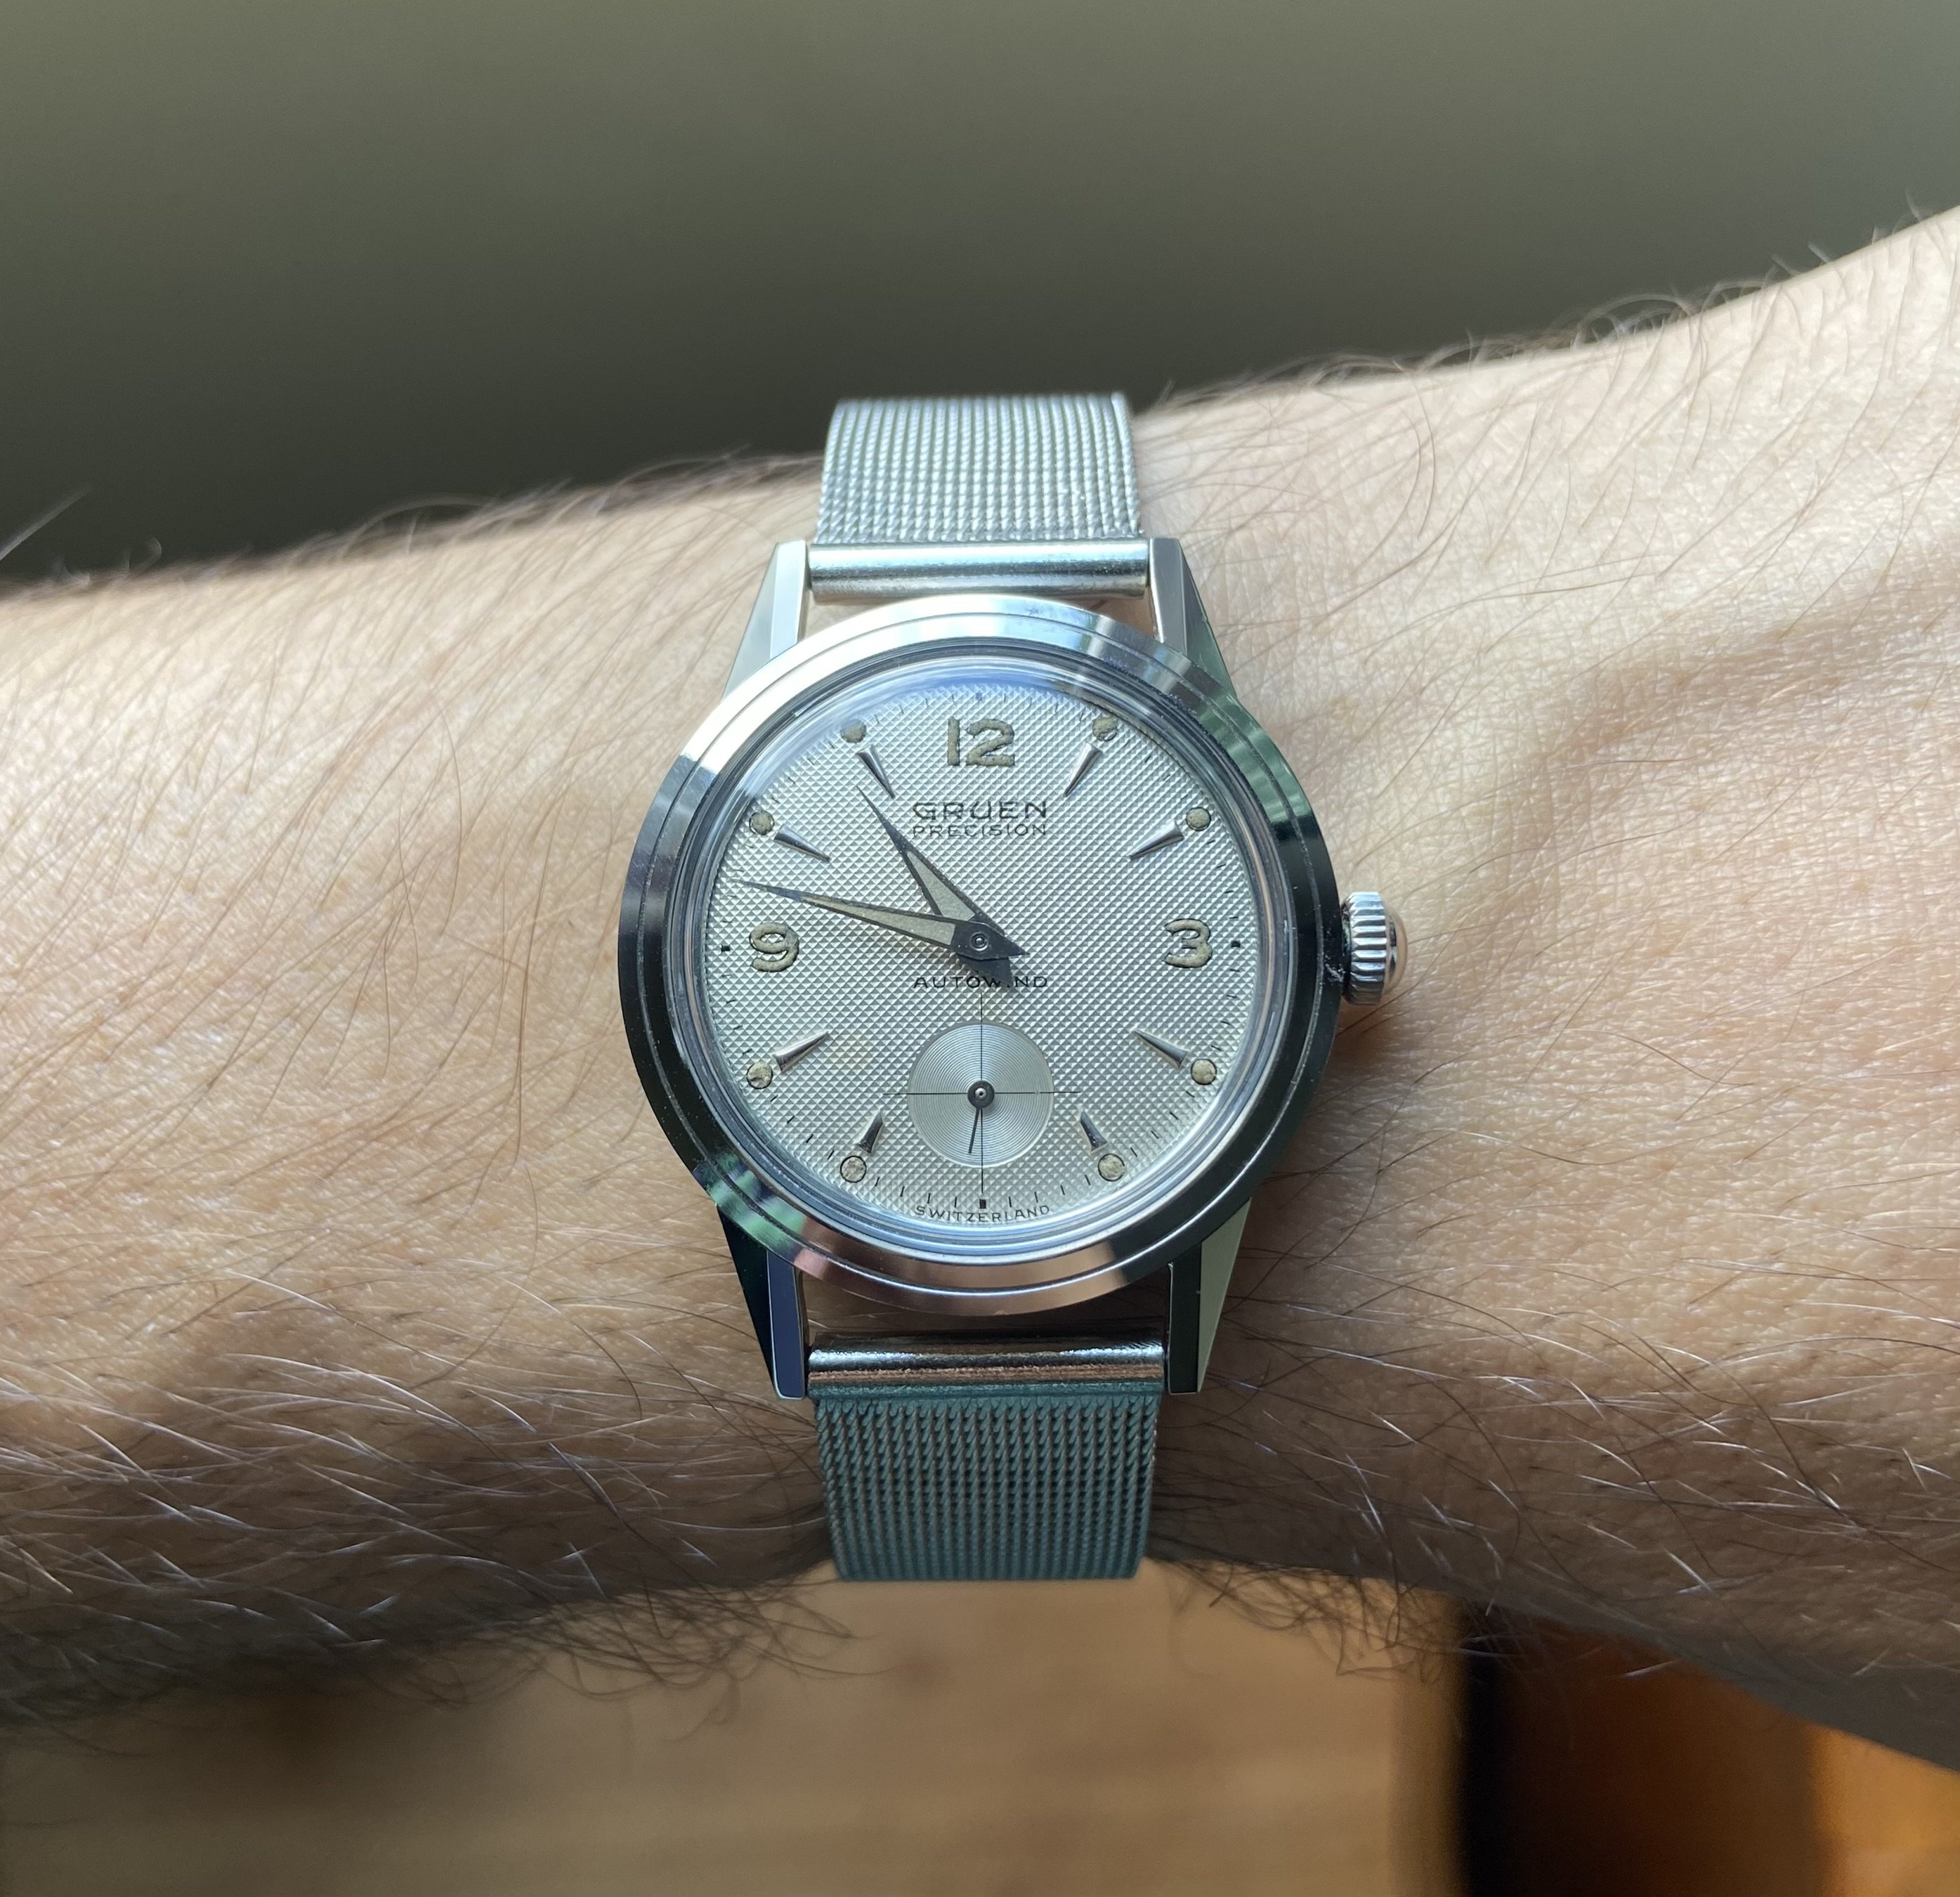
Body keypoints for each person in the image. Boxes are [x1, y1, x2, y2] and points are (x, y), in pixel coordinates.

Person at [1, 209, 1954, 1768]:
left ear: (1327, 946)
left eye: (992, 947)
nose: (987, 959)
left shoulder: (1142, 833)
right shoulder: (791, 870)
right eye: (965, 943)